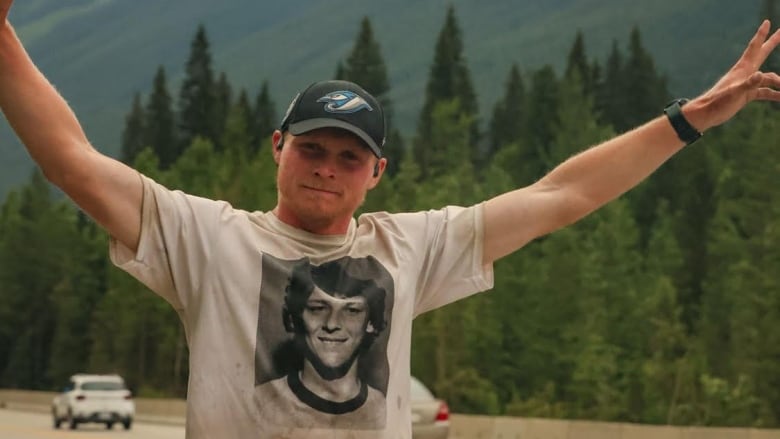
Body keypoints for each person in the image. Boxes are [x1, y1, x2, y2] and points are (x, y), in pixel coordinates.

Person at [1, 0, 779, 436]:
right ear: (279, 147)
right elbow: (70, 160)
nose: (326, 167)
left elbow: (562, 195)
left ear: (377, 172)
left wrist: (688, 121)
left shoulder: (413, 245)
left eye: (349, 156)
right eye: (312, 148)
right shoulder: (206, 236)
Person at [253, 256, 391, 429]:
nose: (332, 324)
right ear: (295, 317)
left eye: (352, 310)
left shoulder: (383, 408)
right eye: (318, 308)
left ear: (370, 323)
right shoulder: (261, 402)